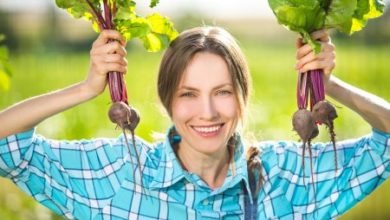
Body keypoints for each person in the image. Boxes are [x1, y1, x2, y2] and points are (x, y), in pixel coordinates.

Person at [0, 26, 389, 220]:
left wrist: (331, 85)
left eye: (222, 92)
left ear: (241, 96)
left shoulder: (287, 174)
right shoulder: (121, 173)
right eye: (188, 94)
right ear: (168, 101)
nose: (207, 112)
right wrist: (85, 90)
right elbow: (8, 147)